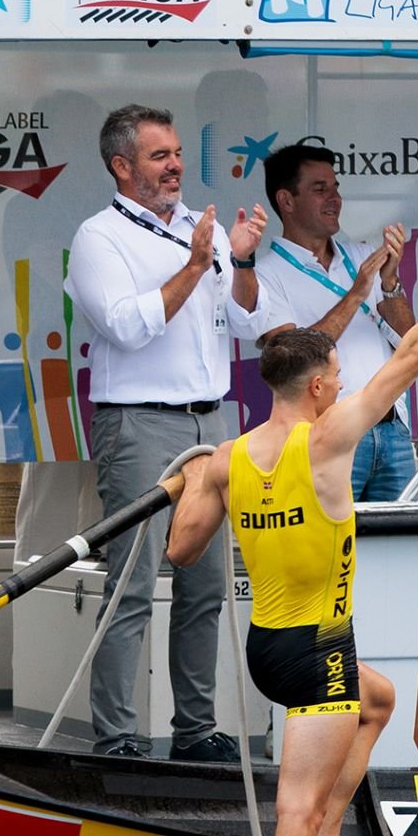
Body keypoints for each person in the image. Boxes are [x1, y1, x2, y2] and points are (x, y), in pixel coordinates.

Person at [159, 238, 418, 836]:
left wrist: (195, 484)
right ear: (318, 388)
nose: (345, 387)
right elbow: (414, 354)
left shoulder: (226, 458)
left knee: (377, 699)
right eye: (340, 378)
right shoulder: (327, 441)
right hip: (318, 656)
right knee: (294, 810)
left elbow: (179, 552)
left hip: (266, 649)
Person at [69, 103, 269, 762]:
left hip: (210, 421)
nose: (176, 164)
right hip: (139, 423)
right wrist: (195, 265)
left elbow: (249, 323)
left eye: (178, 151)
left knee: (207, 583)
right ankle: (119, 737)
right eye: (160, 155)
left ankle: (195, 730)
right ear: (122, 166)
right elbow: (126, 325)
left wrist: (239, 261)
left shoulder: (197, 228)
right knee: (130, 583)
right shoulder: (98, 238)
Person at [251, 142, 418, 503]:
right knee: (331, 549)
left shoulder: (362, 255)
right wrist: (357, 292)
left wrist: (389, 284)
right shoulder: (265, 276)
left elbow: (411, 340)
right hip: (328, 434)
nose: (334, 198)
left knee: (403, 548)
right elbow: (291, 361)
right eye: (319, 189)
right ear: (286, 200)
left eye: (336, 187)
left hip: (391, 430)